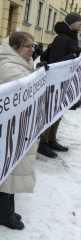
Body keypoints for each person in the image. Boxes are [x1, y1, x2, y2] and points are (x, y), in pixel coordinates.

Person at [0, 32, 38, 230]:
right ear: (16, 48)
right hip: (14, 128)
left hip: (19, 126)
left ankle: (4, 209)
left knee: (12, 170)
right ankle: (3, 214)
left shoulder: (19, 64)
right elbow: (28, 93)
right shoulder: (12, 67)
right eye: (29, 46)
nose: (32, 50)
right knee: (9, 171)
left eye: (33, 46)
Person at [37, 12, 81, 158]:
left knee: (59, 110)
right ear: (71, 22)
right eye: (79, 21)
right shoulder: (62, 39)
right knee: (51, 111)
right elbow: (55, 61)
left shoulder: (72, 37)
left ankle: (51, 139)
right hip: (55, 82)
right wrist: (73, 57)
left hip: (64, 81)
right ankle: (43, 142)